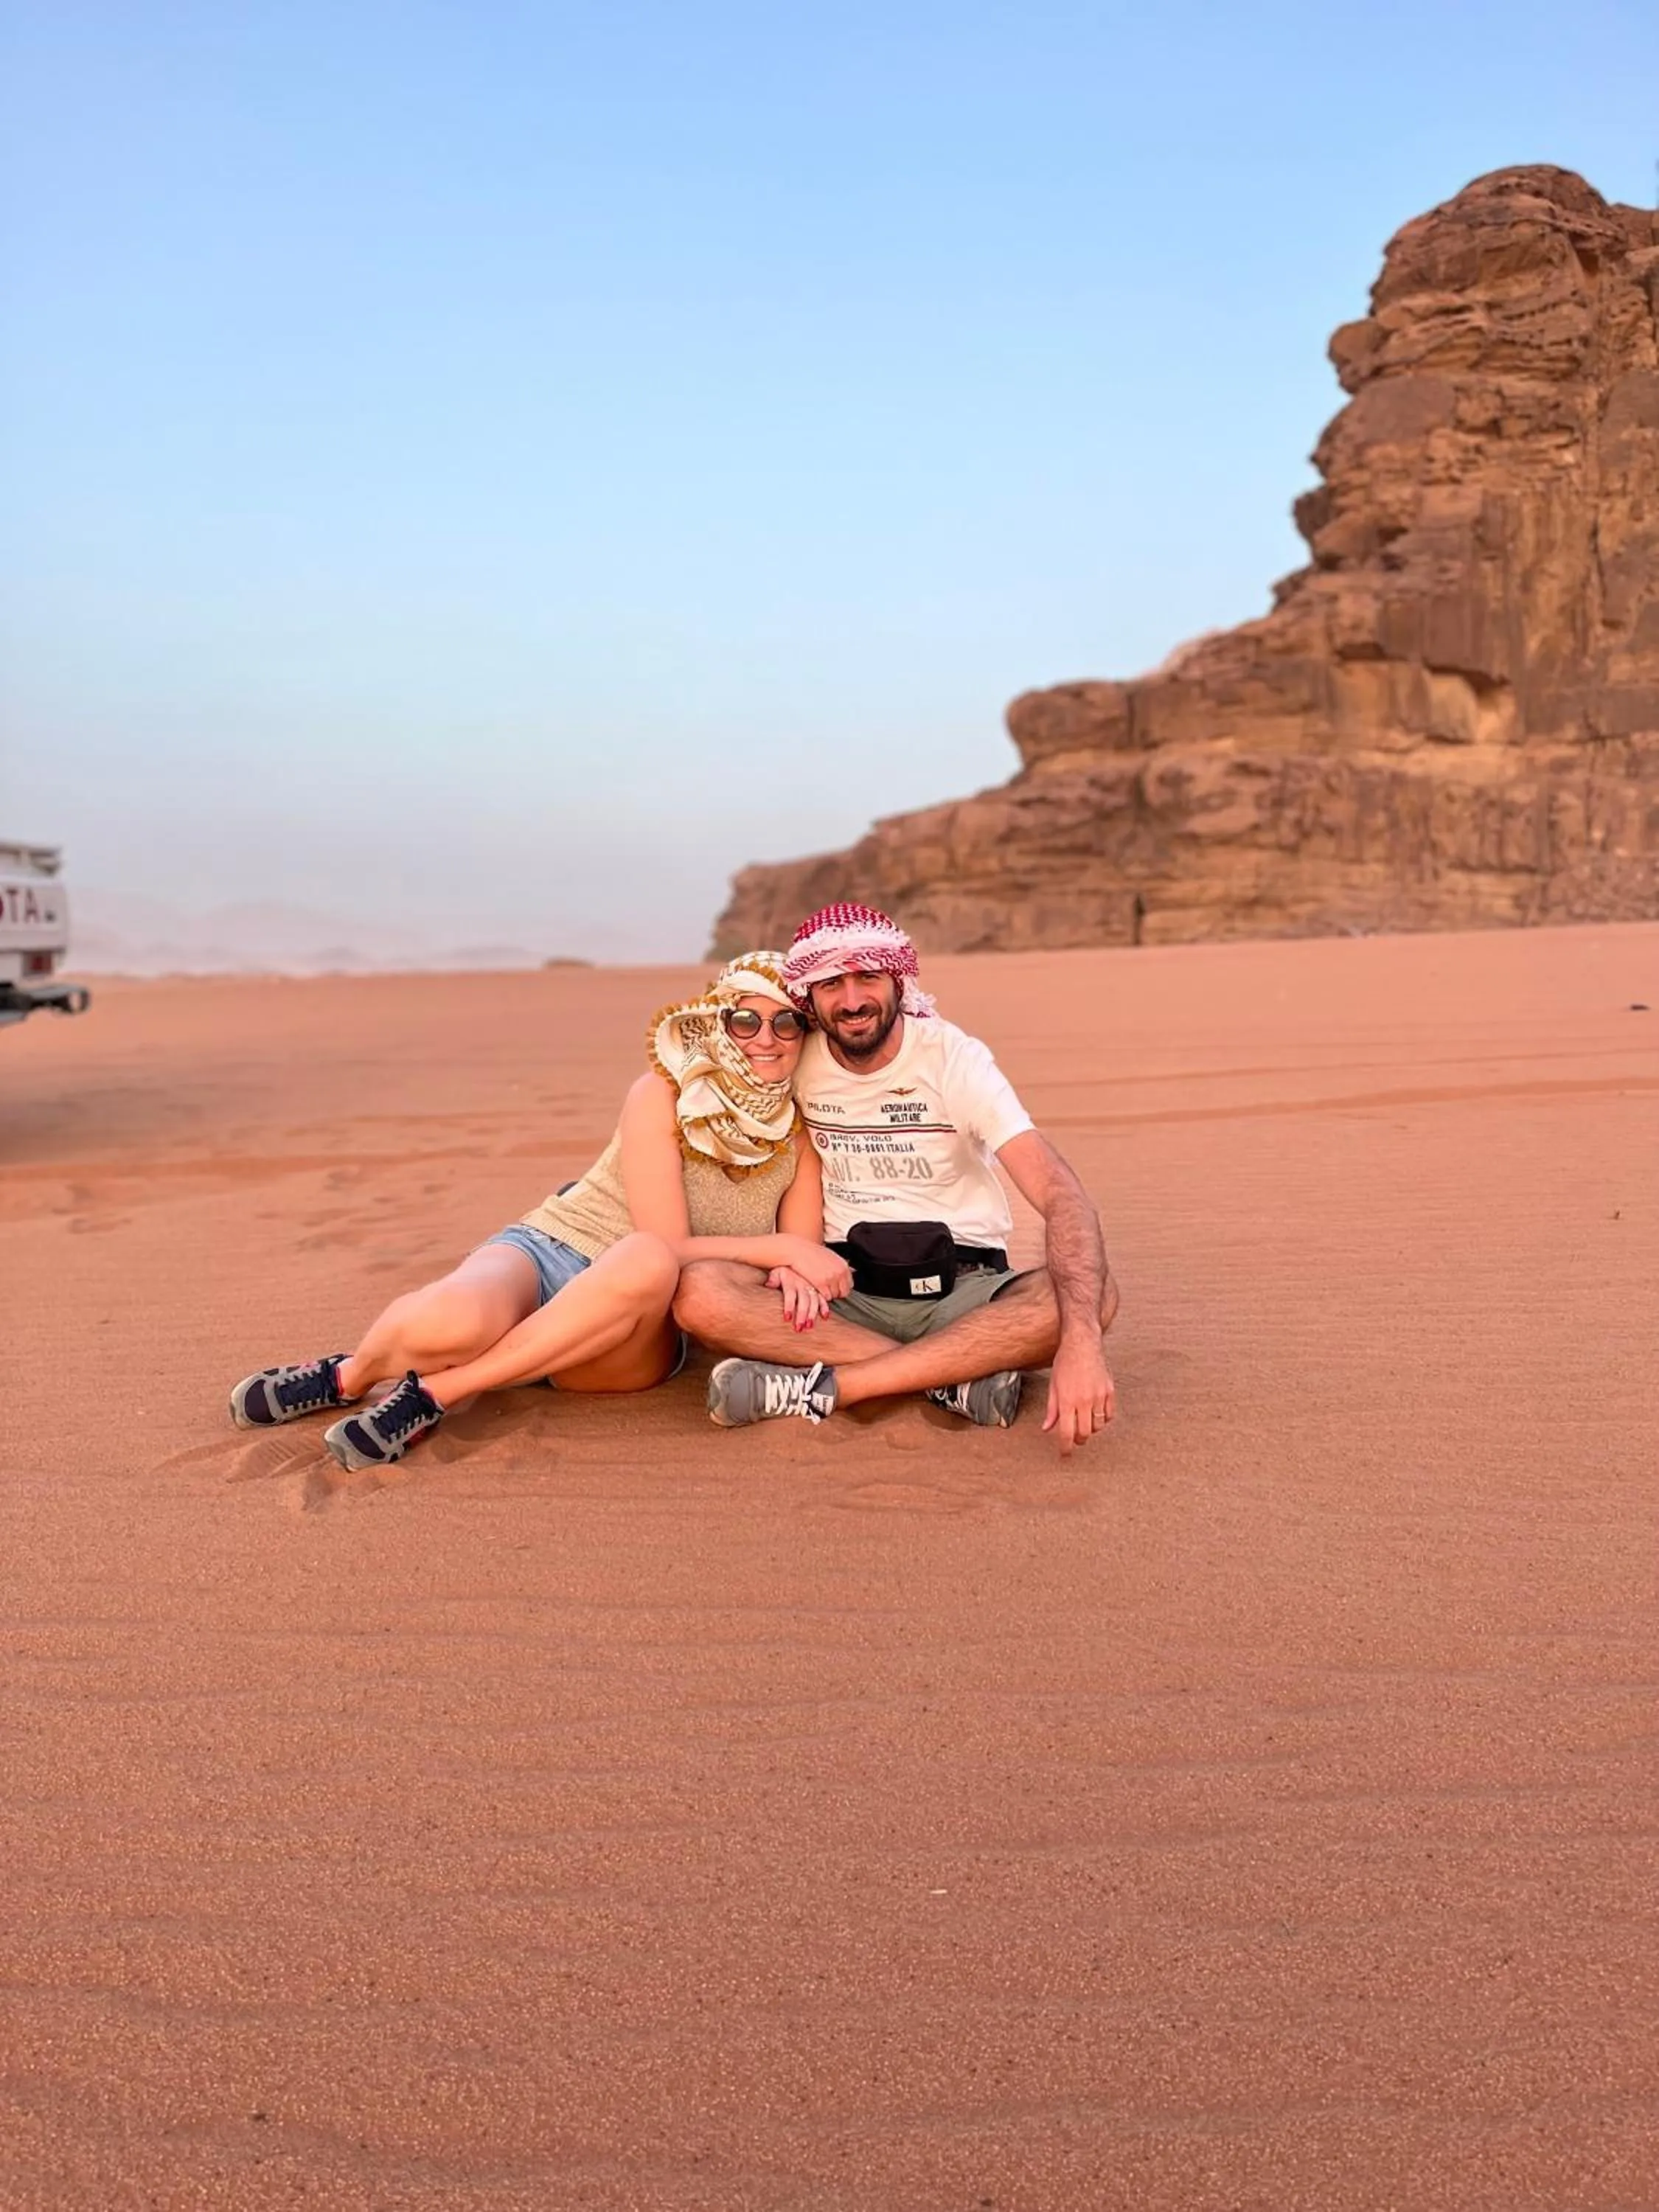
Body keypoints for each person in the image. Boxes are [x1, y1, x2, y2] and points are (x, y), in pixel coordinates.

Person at [227, 953, 849, 1471]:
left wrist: (794, 1260)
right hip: (553, 1247)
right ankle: (351, 1378)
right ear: (717, 1023)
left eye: (786, 1023)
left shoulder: (801, 1137)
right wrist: (788, 1252)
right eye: (745, 1020)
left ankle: (438, 1393)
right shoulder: (663, 1092)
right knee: (454, 1318)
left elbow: (769, 1264)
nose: (765, 1039)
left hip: (636, 1315)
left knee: (642, 1257)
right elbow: (775, 1249)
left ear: (805, 1035)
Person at [673, 903, 1119, 1453]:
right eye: (831, 983)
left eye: (868, 977)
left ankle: (831, 1387)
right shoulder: (794, 1056)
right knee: (700, 1292)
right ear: (808, 996)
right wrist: (792, 1257)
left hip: (965, 1292)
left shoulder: (954, 1059)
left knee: (1090, 1300)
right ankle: (949, 1379)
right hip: (840, 1292)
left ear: (899, 980)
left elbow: (1061, 1194)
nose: (853, 999)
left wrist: (1081, 1344)